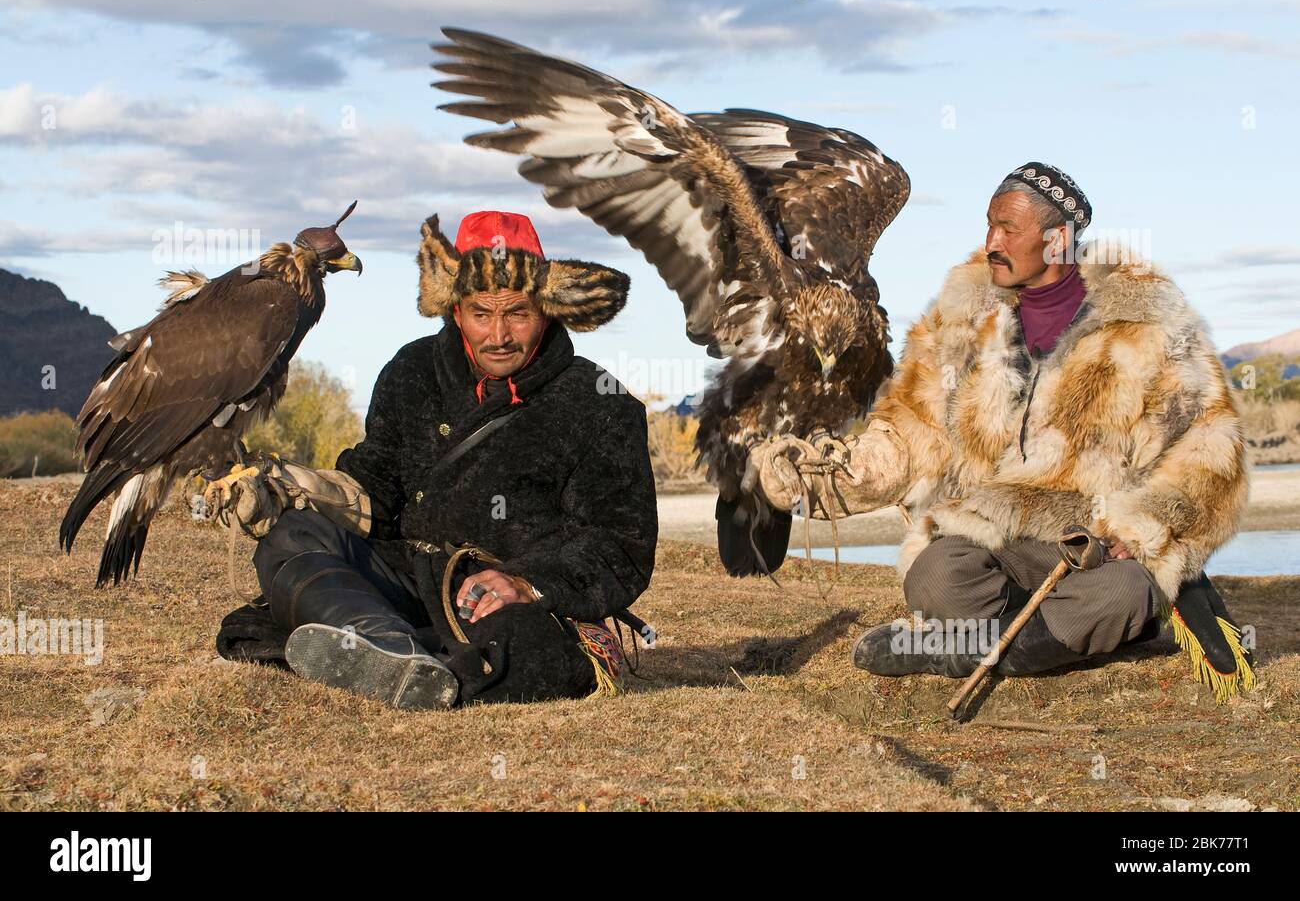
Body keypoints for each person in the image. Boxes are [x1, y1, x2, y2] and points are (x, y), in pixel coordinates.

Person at [751, 163, 1255, 697]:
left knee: (1122, 593)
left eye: (1008, 229)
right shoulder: (962, 322)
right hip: (996, 529)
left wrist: (1142, 528)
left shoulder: (1148, 328)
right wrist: (828, 478)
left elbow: (1209, 451)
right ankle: (1080, 636)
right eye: (988, 225)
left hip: (1099, 542)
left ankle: (967, 651)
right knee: (934, 578)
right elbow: (909, 430)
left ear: (1057, 239)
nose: (991, 242)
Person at [213, 210, 657, 710]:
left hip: (504, 603)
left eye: (517, 313)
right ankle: (390, 647)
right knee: (293, 536)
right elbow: (374, 487)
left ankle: (385, 652)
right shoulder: (412, 370)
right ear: (455, 310)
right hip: (406, 576)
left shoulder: (601, 404)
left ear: (548, 310)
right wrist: (295, 490)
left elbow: (621, 547)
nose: (499, 336)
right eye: (481, 314)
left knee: (533, 649)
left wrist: (526, 583)